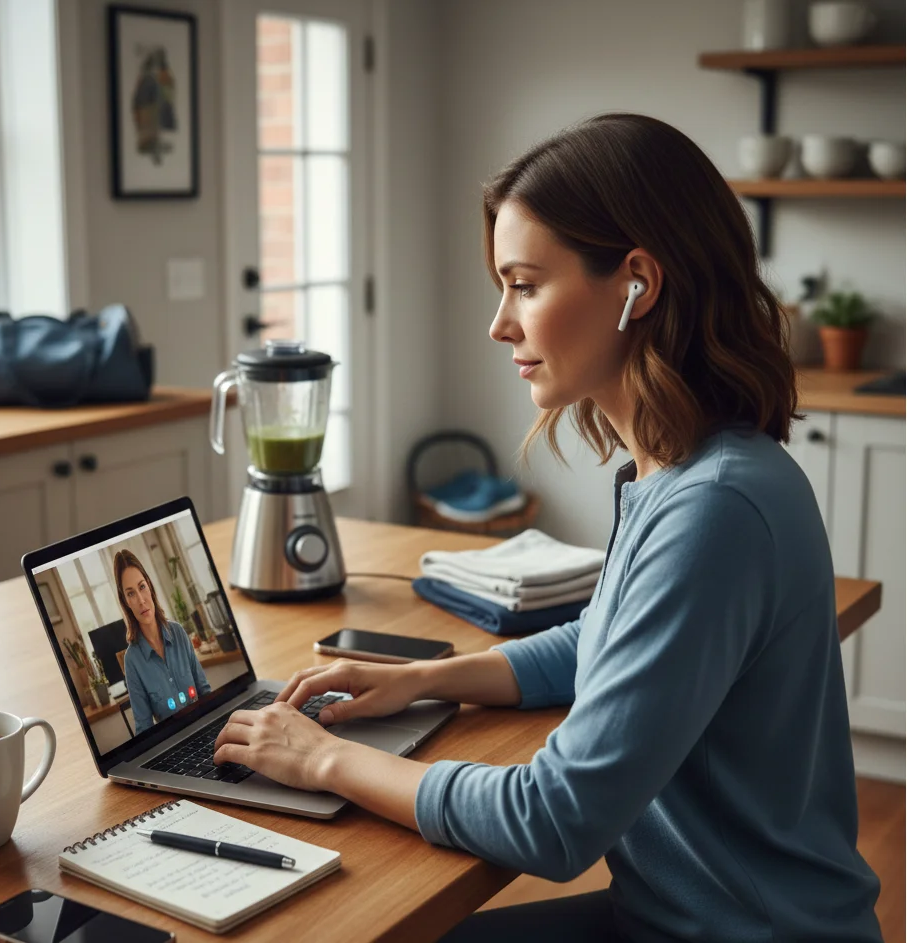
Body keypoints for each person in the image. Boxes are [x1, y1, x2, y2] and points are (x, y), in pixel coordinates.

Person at [209, 114, 882, 942]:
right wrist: (424, 678)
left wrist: (323, 758)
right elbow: (602, 638)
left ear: (638, 283)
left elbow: (553, 820)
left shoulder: (715, 508)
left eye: (525, 285)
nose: (500, 323)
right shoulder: (685, 469)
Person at [116, 549, 211, 735]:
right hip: (174, 743)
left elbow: (205, 692)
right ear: (126, 601)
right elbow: (144, 729)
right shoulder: (132, 661)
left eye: (142, 587)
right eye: (131, 594)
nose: (141, 600)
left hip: (205, 729)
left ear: (150, 586)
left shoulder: (179, 633)